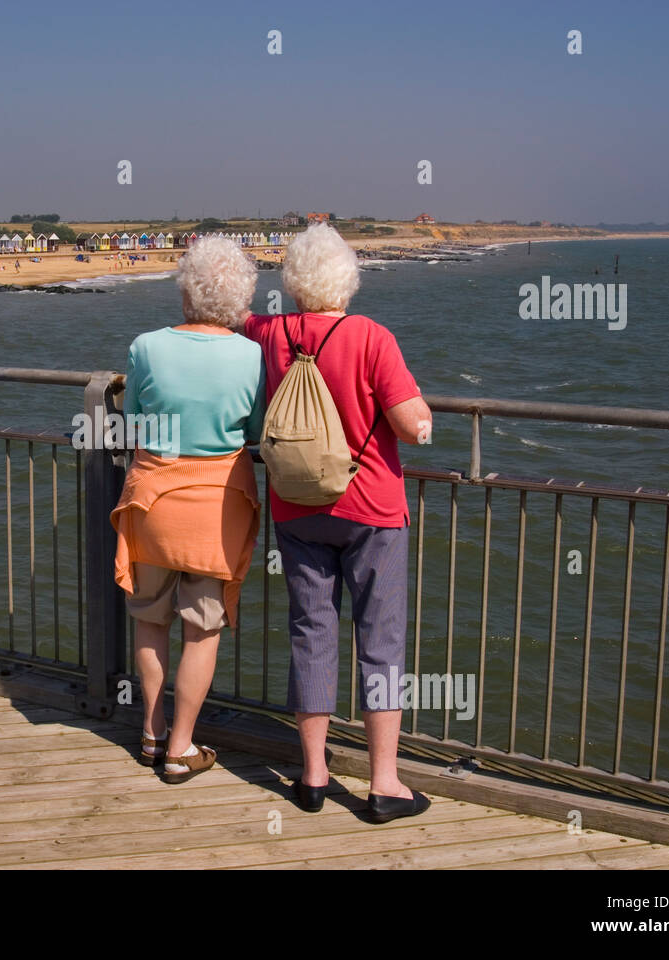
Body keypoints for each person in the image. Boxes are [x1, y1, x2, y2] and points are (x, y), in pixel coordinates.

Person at [240, 223, 433, 821]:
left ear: (293, 284)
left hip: (296, 508)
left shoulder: (270, 333)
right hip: (371, 509)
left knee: (311, 631)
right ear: (348, 282)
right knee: (381, 643)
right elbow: (411, 425)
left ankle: (314, 776)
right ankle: (382, 784)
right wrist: (425, 419)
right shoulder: (372, 337)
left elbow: (228, 319)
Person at [112, 237, 265, 784]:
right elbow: (253, 433)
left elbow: (130, 423)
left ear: (186, 290)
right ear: (240, 297)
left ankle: (150, 733)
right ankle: (180, 748)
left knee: (149, 619)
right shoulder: (252, 355)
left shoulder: (147, 347)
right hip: (217, 508)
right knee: (203, 630)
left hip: (152, 499)